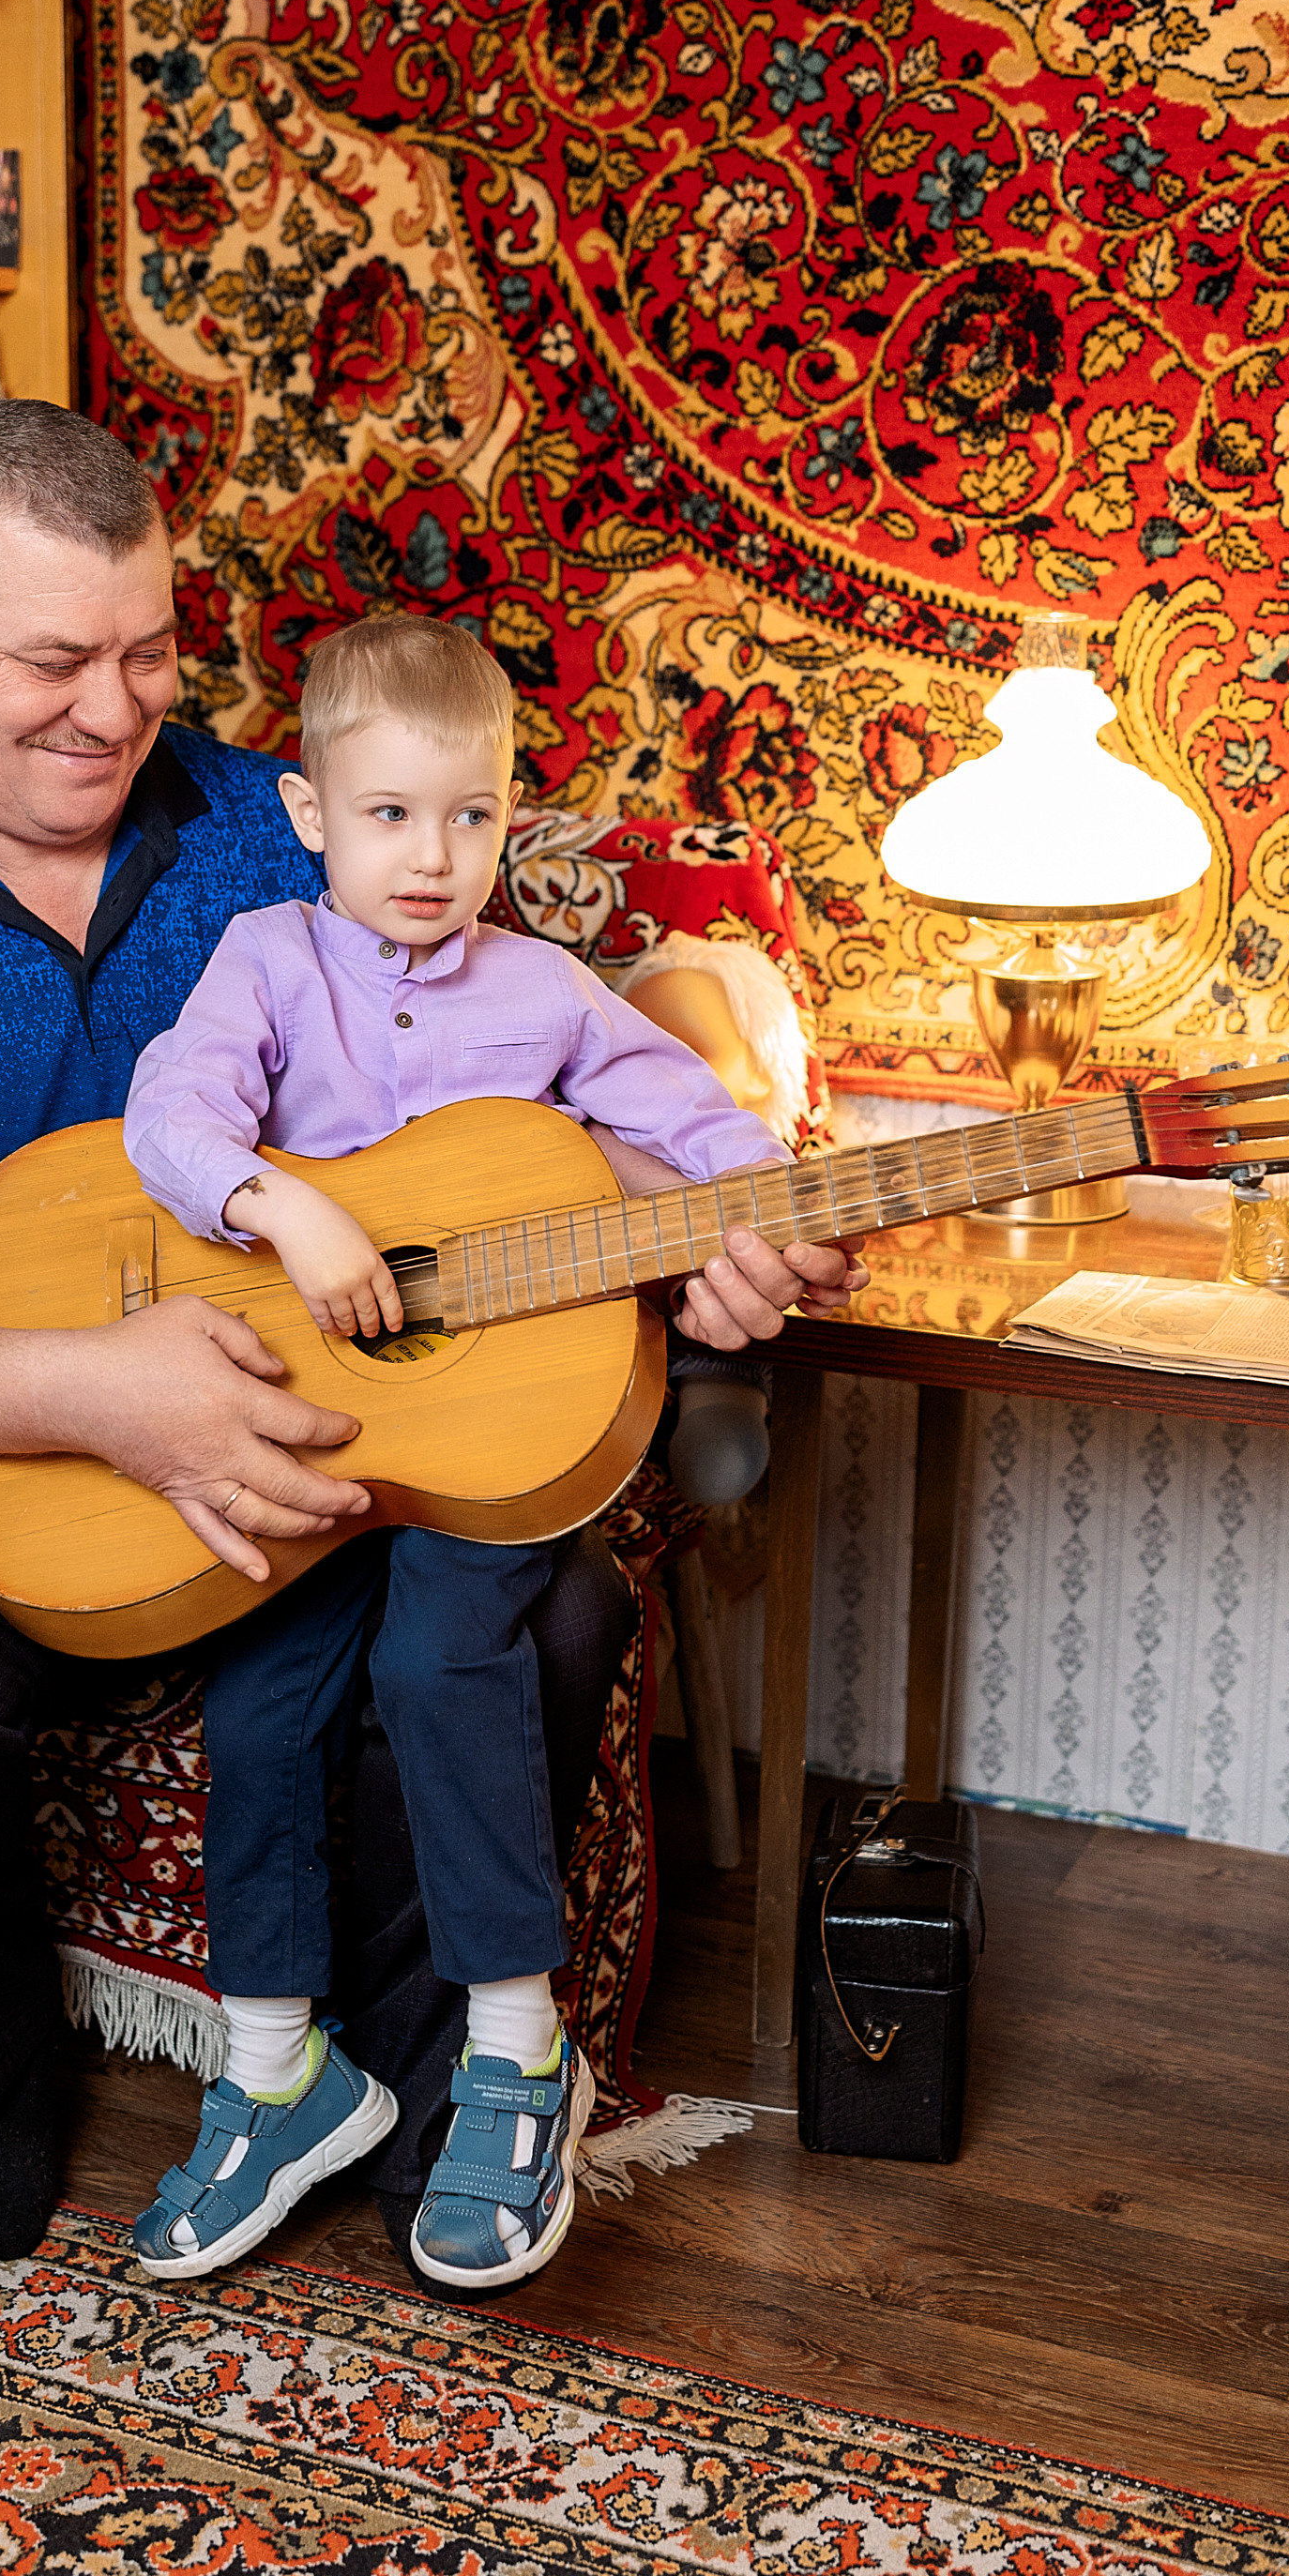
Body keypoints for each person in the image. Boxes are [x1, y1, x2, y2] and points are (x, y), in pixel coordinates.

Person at [0, 401, 860, 2268]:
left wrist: (671, 1227)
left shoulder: (294, 828)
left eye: (147, 651)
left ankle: (428, 2094)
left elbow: (517, 1074)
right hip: (3, 1427)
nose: (113, 707)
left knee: (540, 1604)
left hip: (341, 1403)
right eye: (50, 660)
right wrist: (99, 1399)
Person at [120, 620, 795, 2292]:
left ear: (512, 820)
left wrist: (760, 1213)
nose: (433, 859)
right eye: (391, 816)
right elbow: (169, 1119)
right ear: (307, 812)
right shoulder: (266, 962)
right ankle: (279, 2073)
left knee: (439, 1662)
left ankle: (514, 2045)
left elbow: (708, 1134)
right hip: (312, 1426)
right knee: (263, 1697)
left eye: (473, 818)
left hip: (494, 1432)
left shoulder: (548, 991)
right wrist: (285, 1201)